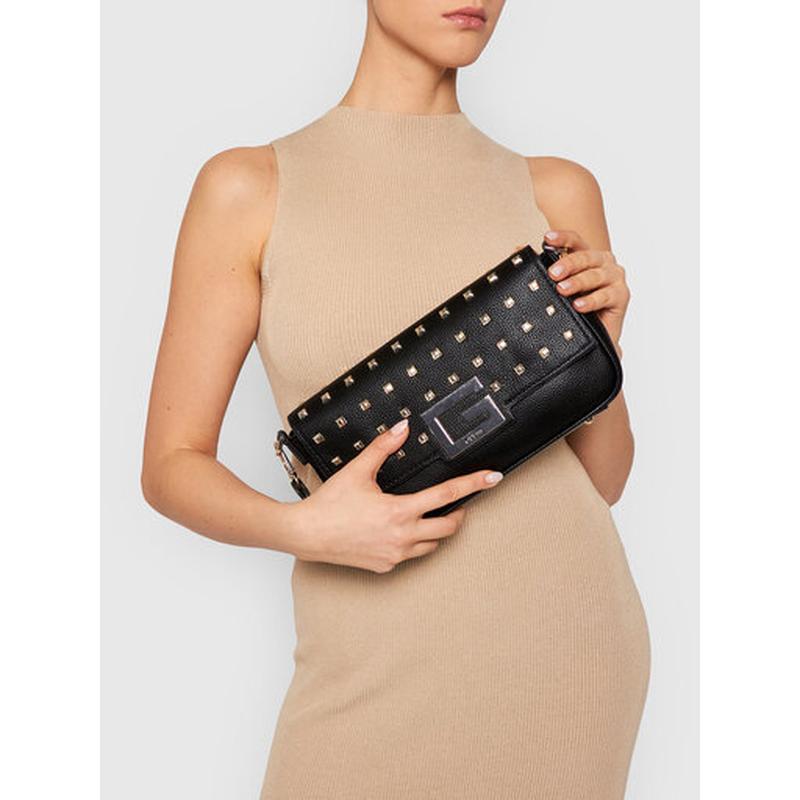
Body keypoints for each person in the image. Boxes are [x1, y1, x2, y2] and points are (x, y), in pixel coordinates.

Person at [141, 1, 650, 797]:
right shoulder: (250, 186)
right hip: (364, 661)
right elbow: (171, 466)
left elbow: (603, 481)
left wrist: (602, 345)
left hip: (566, 652)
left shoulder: (556, 188)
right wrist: (303, 528)